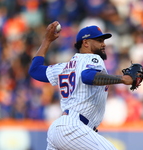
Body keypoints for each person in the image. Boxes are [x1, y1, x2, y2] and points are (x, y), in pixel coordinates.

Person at [29, 21, 133, 150]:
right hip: (73, 128)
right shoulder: (91, 58)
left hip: (59, 129)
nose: (103, 44)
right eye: (99, 40)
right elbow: (87, 76)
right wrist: (122, 79)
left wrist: (46, 41)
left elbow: (35, 70)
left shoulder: (64, 67)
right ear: (86, 43)